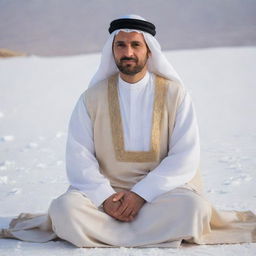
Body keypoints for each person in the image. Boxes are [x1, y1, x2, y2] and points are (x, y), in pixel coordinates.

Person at [1, 14, 256, 248]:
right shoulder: (92, 98)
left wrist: (141, 194)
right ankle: (155, 233)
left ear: (149, 51)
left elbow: (185, 155)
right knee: (64, 210)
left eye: (136, 45)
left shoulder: (175, 95)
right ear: (112, 50)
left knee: (193, 208)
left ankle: (100, 234)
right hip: (103, 195)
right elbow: (78, 156)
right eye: (120, 45)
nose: (128, 52)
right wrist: (105, 198)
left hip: (161, 194)